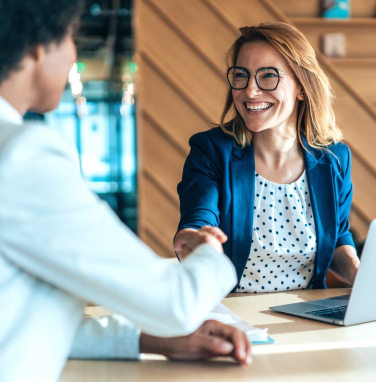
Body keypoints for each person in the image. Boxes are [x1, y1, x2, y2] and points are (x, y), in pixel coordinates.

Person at [0, 1, 251, 381]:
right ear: (37, 47)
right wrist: (211, 253)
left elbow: (14, 322)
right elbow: (176, 303)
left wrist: (152, 340)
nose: (73, 55)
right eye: (71, 37)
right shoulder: (23, 156)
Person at [174, 22, 360, 293]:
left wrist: (360, 274)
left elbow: (338, 236)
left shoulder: (334, 158)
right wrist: (194, 239)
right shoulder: (211, 150)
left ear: (302, 87)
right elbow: (198, 219)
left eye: (268, 76)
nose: (250, 91)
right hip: (232, 315)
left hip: (307, 314)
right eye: (241, 75)